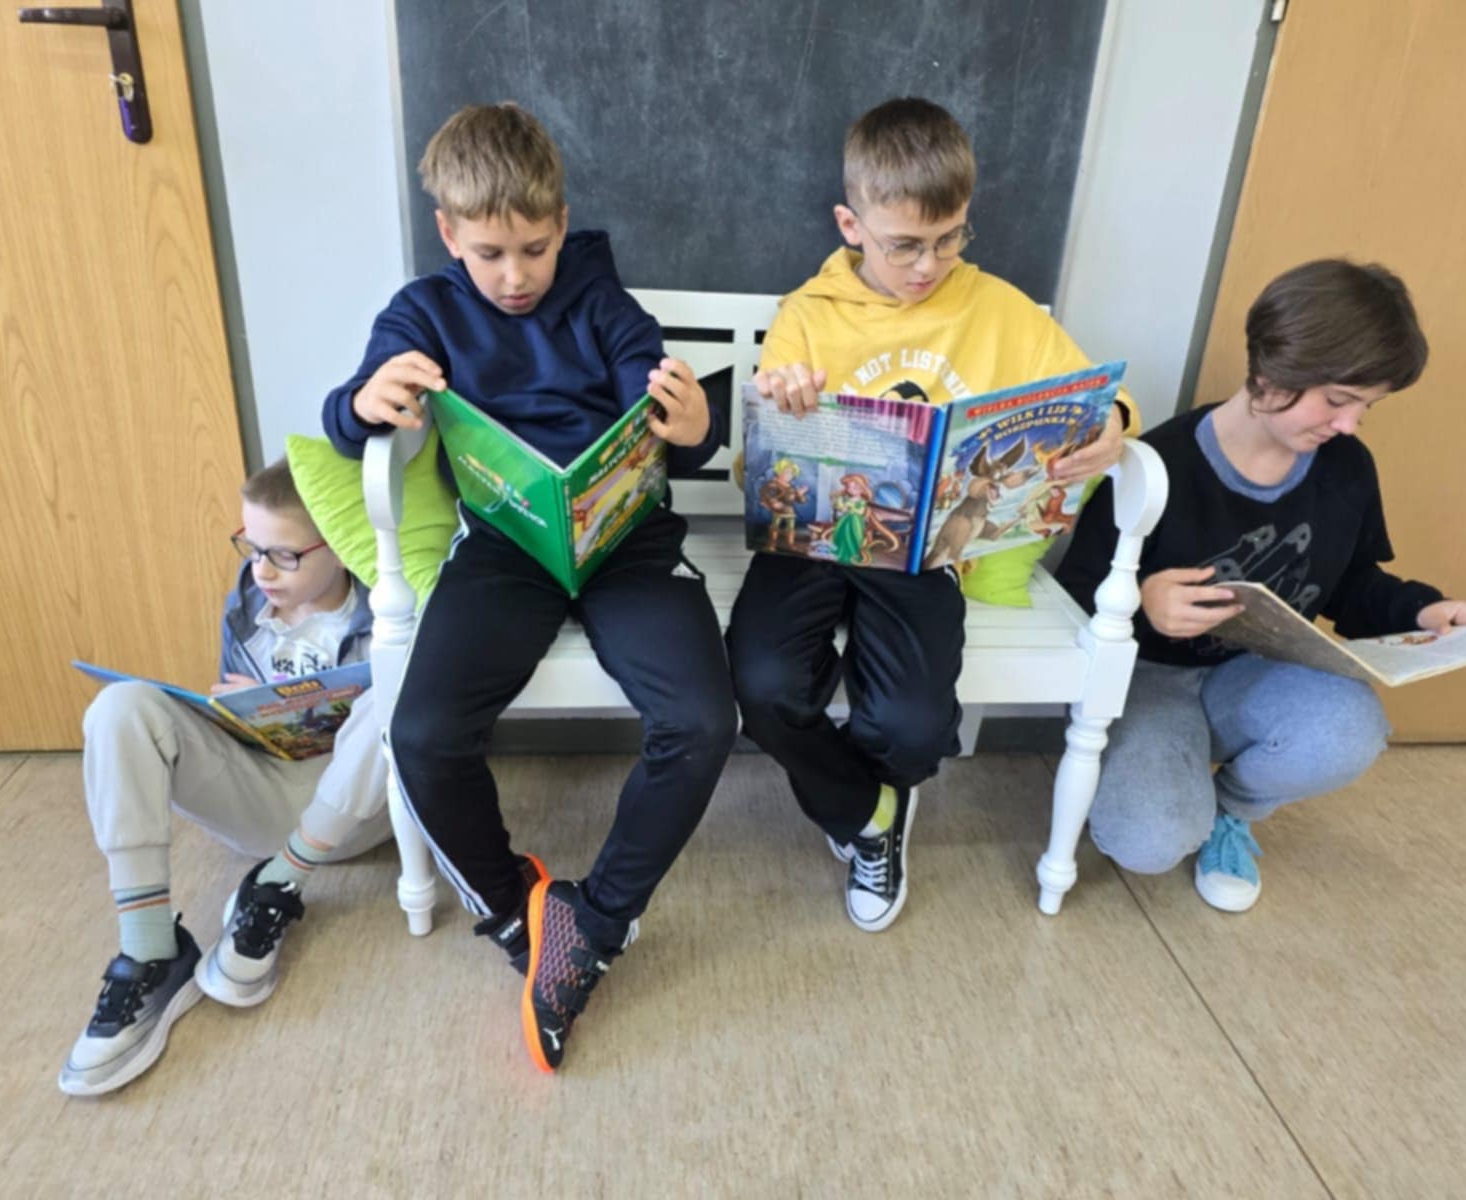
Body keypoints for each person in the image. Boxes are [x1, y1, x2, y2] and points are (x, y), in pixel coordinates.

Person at [321, 103, 734, 1072]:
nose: (515, 276)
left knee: (702, 721)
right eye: (491, 254)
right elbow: (349, 416)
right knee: (421, 735)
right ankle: (520, 918)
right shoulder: (424, 311)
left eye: (536, 250)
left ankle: (596, 920)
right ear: (449, 232)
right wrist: (361, 404)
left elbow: (670, 417)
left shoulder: (598, 294)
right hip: (506, 548)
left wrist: (691, 424)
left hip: (623, 539)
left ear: (562, 223)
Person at [727, 97, 1134, 932]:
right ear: (851, 225)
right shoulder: (809, 313)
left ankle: (878, 798)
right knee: (761, 683)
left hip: (927, 554)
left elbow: (1099, 397)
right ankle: (866, 812)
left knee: (912, 726)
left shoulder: (999, 309)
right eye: (904, 245)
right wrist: (783, 402)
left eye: (950, 239)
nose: (928, 265)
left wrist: (1114, 425)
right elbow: (762, 460)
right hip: (813, 544)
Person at [1055, 258, 1466, 912]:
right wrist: (1144, 601)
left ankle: (1233, 811)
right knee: (1147, 843)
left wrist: (1426, 611)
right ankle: (1170, 782)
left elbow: (1351, 584)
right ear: (1271, 371)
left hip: (1257, 677)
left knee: (1349, 728)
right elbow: (1074, 592)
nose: (1348, 425)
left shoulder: (1346, 468)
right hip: (1147, 680)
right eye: (1338, 401)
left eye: (1366, 408)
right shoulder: (1160, 464)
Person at [61, 459, 390, 1096]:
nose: (262, 570)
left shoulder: (386, 608)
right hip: (260, 792)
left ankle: (278, 883)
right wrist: (242, 709)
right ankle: (150, 948)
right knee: (120, 707)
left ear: (342, 544)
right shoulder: (250, 600)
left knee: (400, 695)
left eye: (284, 555)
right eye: (252, 547)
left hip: (348, 814)